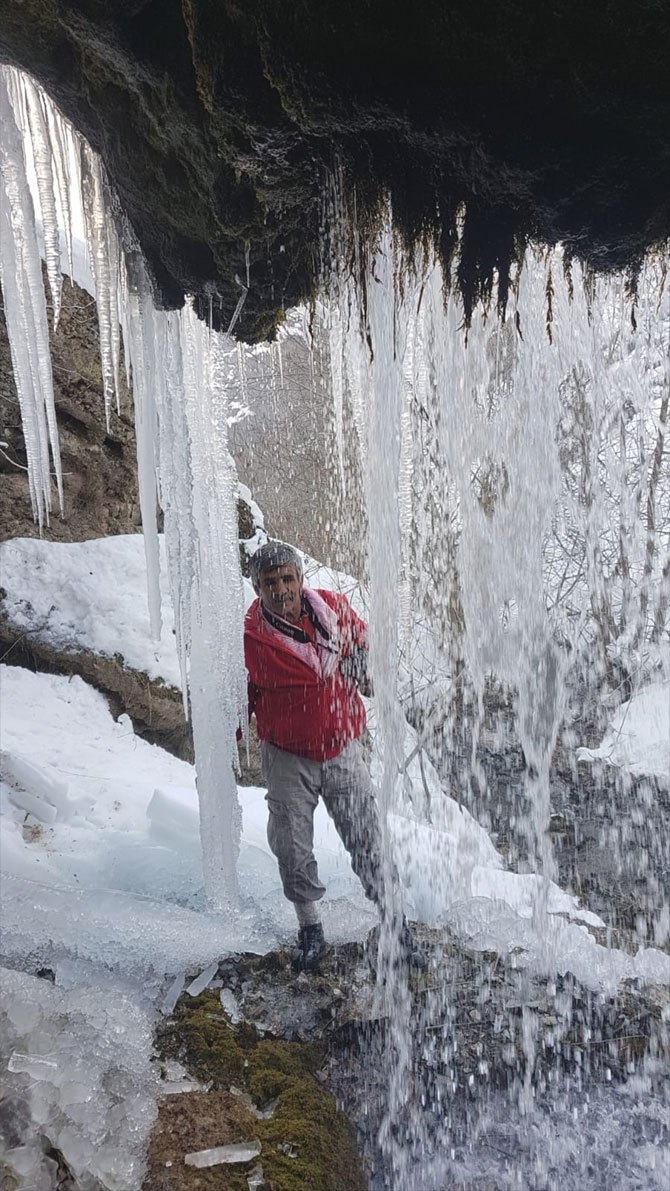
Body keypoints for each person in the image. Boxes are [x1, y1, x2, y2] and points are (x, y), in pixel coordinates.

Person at [243, 540, 383, 970]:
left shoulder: (335, 611)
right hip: (287, 755)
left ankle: (394, 921)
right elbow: (239, 696)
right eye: (270, 583)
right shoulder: (252, 638)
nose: (281, 589)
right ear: (258, 590)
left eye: (287, 578)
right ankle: (309, 926)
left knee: (367, 834)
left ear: (301, 580)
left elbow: (370, 661)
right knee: (291, 844)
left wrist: (365, 668)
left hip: (343, 745)